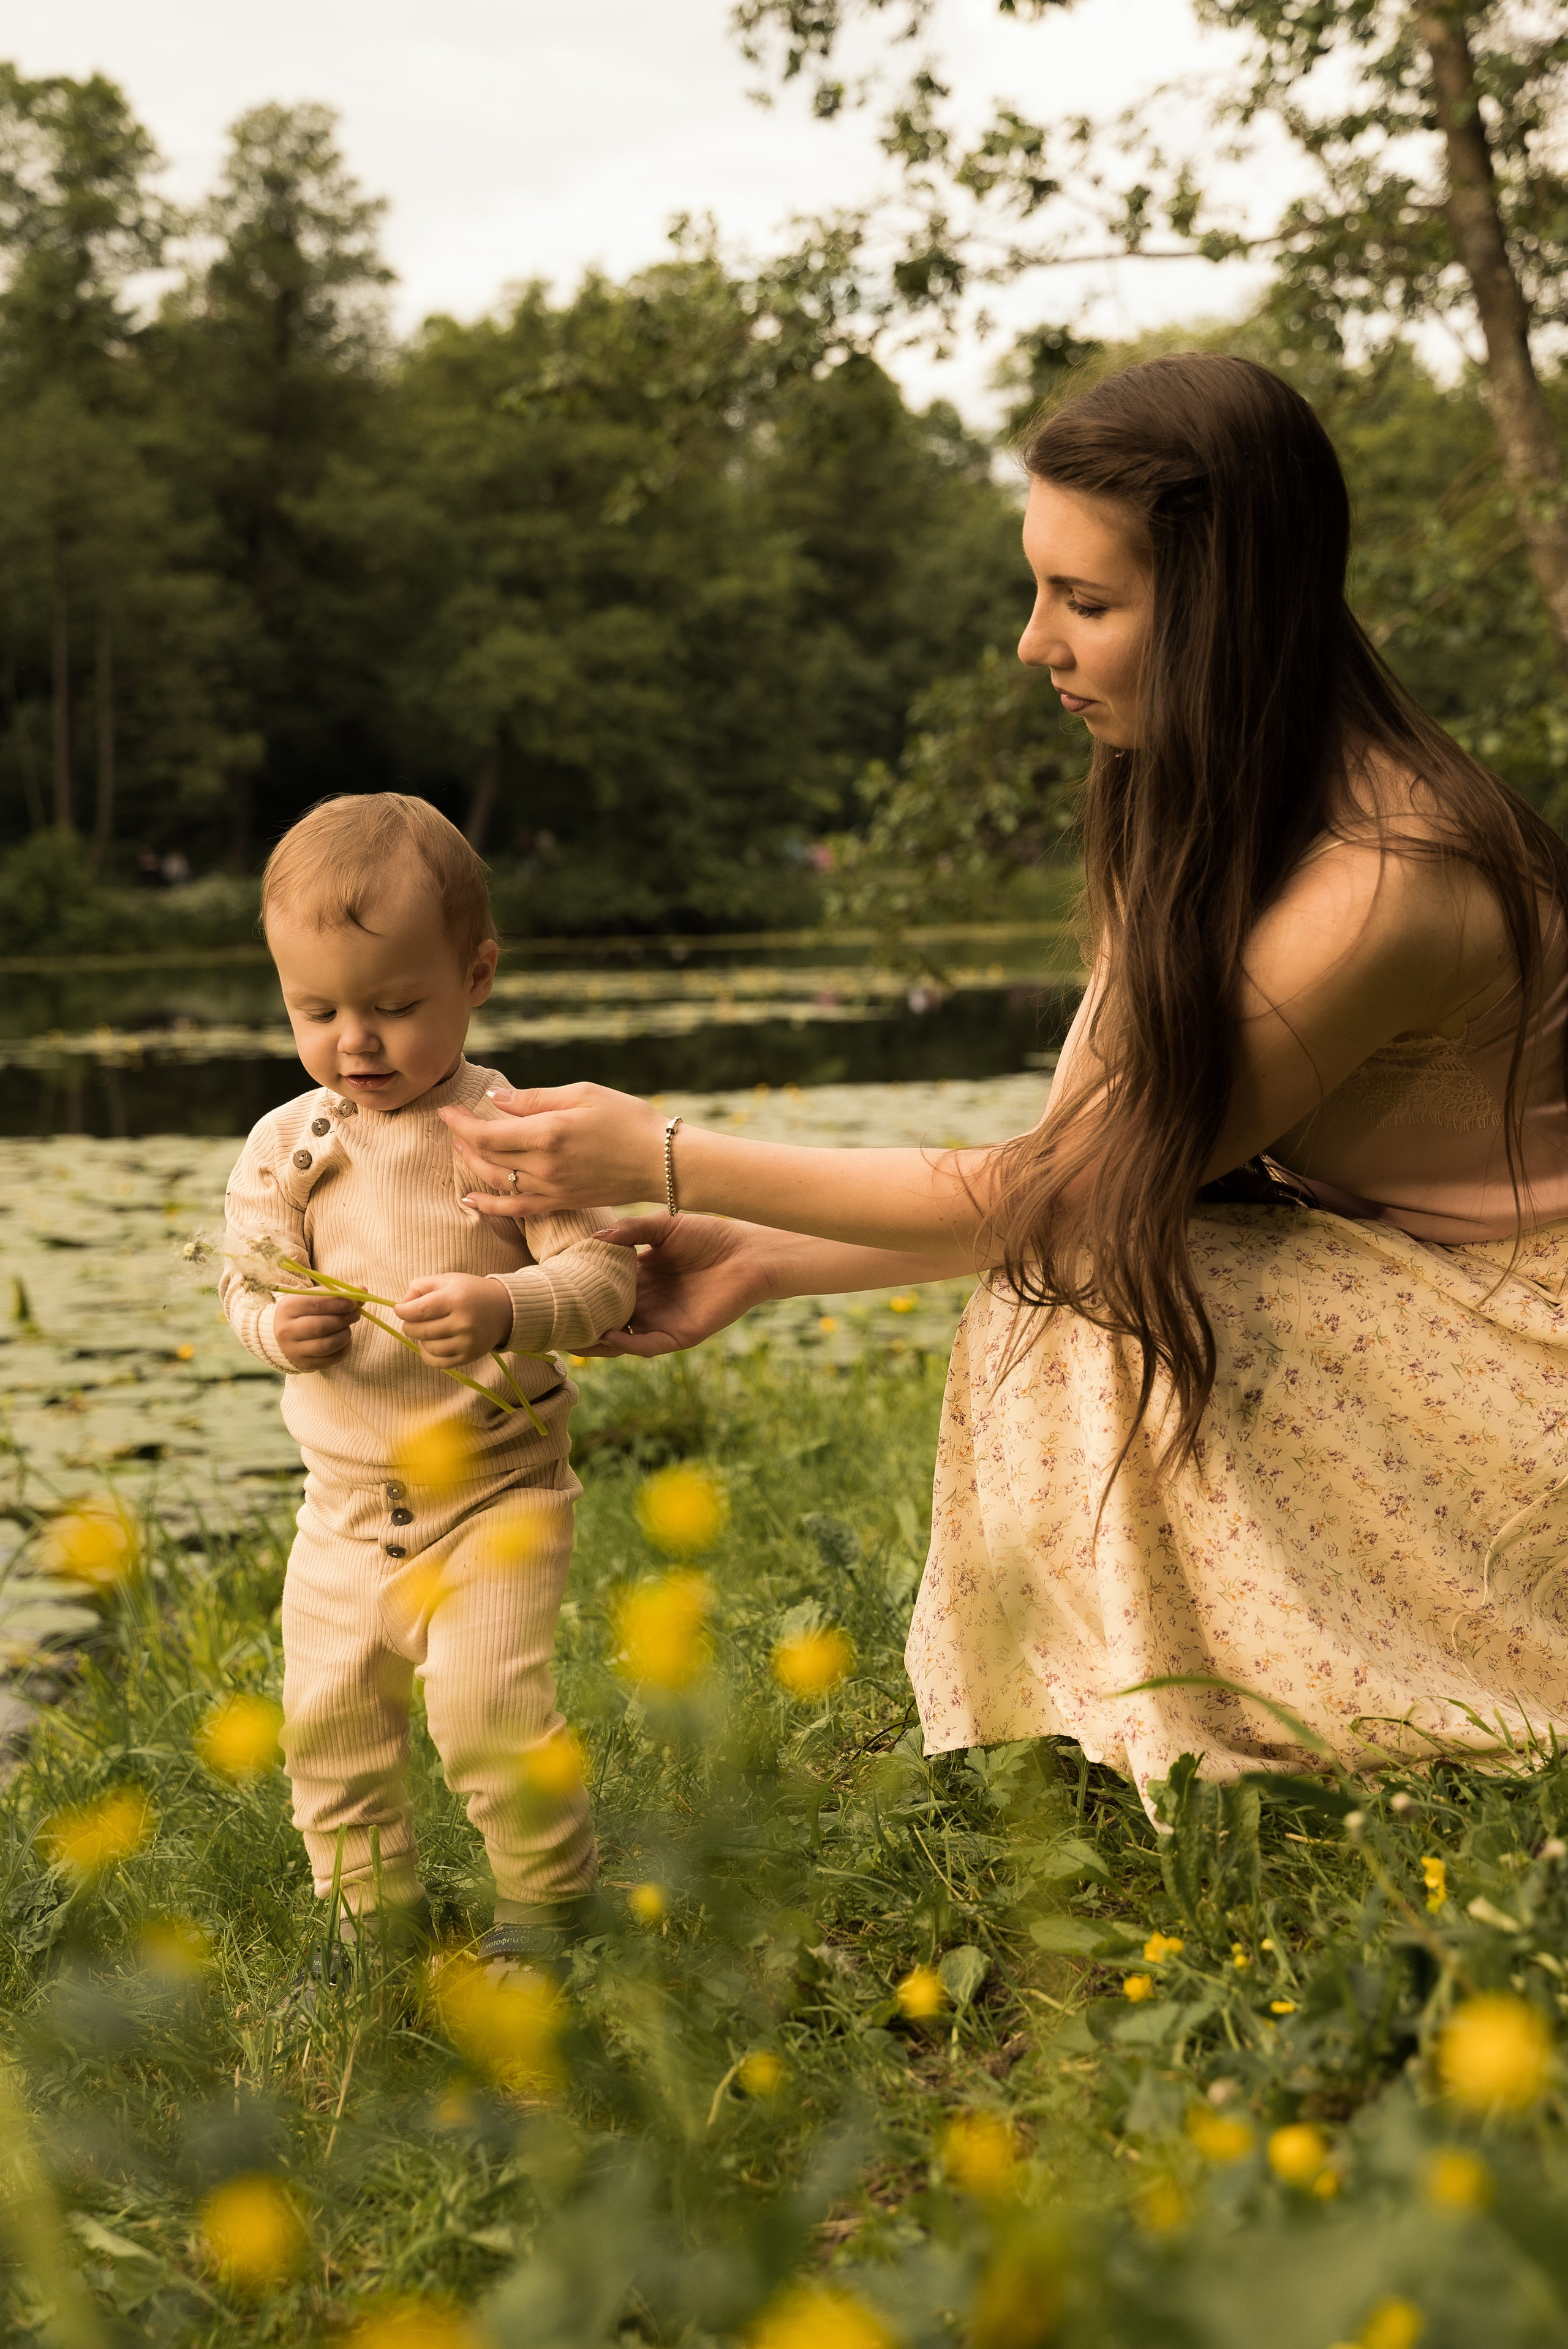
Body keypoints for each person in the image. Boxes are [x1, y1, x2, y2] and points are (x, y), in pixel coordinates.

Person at [439, 352, 1568, 1809]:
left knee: (1087, 1299)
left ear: (1230, 613)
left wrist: (659, 1157)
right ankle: (1185, 1687)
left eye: (1085, 602)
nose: (1034, 643)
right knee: (1076, 1283)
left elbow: (1063, 1204)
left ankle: (1320, 1698)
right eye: (1036, 590)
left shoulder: (1387, 883)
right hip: (1421, 1292)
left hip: (1529, 1355)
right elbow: (1066, 1165)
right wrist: (764, 1262)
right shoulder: (1190, 797)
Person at [219, 795, 636, 1960]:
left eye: (396, 1006)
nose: (357, 1041)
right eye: (318, 1009)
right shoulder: (288, 1146)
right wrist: (276, 1324)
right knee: (328, 1733)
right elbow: (244, 1284)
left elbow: (605, 1278)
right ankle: (372, 1928)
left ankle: (551, 1912)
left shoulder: (511, 1131)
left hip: (494, 1495)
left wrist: (510, 1305)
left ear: (477, 975)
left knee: (490, 1712)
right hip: (341, 1515)